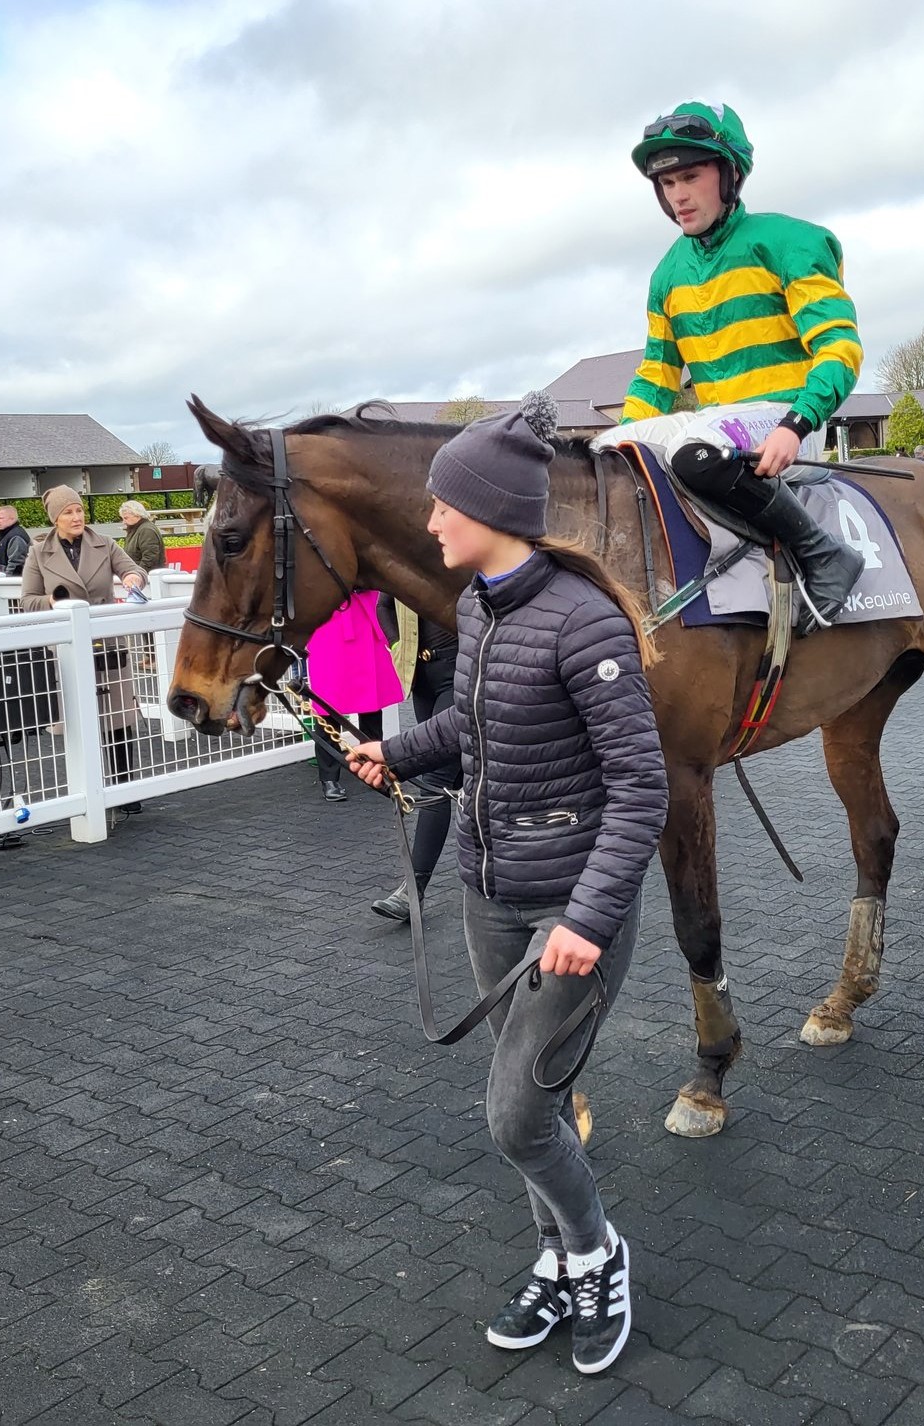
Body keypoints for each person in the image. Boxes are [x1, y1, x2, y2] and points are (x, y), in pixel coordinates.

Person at [347, 396, 667, 1376]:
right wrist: (394, 750)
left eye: (444, 505)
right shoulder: (478, 608)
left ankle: (598, 1254)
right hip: (490, 893)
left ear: (489, 511)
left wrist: (586, 914)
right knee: (538, 1097)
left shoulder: (584, 623)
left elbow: (641, 787)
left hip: (571, 914)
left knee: (517, 1113)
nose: (431, 520)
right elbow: (472, 731)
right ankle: (561, 1256)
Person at [621, 101, 866, 632]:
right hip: (721, 439)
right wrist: (620, 438)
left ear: (729, 174)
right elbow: (656, 379)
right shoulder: (666, 275)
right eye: (666, 183)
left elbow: (841, 349)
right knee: (606, 454)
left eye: (690, 176)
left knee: (690, 452)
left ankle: (823, 554)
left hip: (786, 426)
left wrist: (796, 424)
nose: (678, 195)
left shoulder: (791, 243)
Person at [21, 486, 148, 814]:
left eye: (79, 510)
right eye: (68, 512)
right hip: (67, 650)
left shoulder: (105, 543)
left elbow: (134, 570)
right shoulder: (38, 553)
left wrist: (133, 578)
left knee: (119, 720)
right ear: (55, 518)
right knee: (78, 722)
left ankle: (125, 787)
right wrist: (51, 602)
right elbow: (26, 601)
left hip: (107, 644)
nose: (77, 517)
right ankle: (86, 789)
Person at [370, 603, 461, 919]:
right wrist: (398, 646)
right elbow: (384, 605)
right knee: (458, 779)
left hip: (460, 672)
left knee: (436, 777)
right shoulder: (408, 556)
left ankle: (413, 890)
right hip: (422, 676)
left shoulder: (458, 559)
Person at [303, 590, 402, 802]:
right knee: (327, 706)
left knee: (372, 705)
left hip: (364, 616)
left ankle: (375, 769)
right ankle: (328, 777)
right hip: (328, 618)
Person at [118, 500, 166, 572]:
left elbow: (150, 558)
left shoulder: (146, 530)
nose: (124, 522)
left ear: (137, 515)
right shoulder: (138, 529)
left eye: (126, 518)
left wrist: (137, 574)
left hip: (148, 577)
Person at [0, 505, 31, 576]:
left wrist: (7, 582)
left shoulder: (16, 537)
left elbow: (16, 565)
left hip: (10, 582)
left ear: (12, 519)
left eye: (1, 518)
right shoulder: (6, 534)